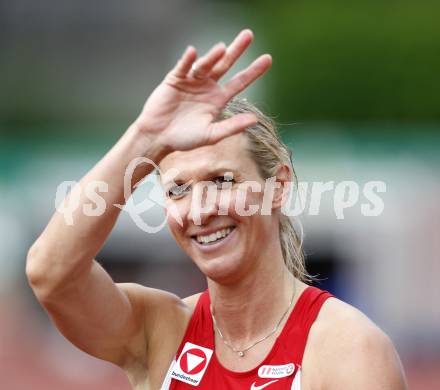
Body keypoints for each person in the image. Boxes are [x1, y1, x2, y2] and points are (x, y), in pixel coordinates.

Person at [26, 29, 407, 389]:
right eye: (178, 190)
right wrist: (146, 137)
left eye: (222, 181)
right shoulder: (159, 331)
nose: (200, 210)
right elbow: (50, 274)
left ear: (279, 186)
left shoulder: (347, 348)